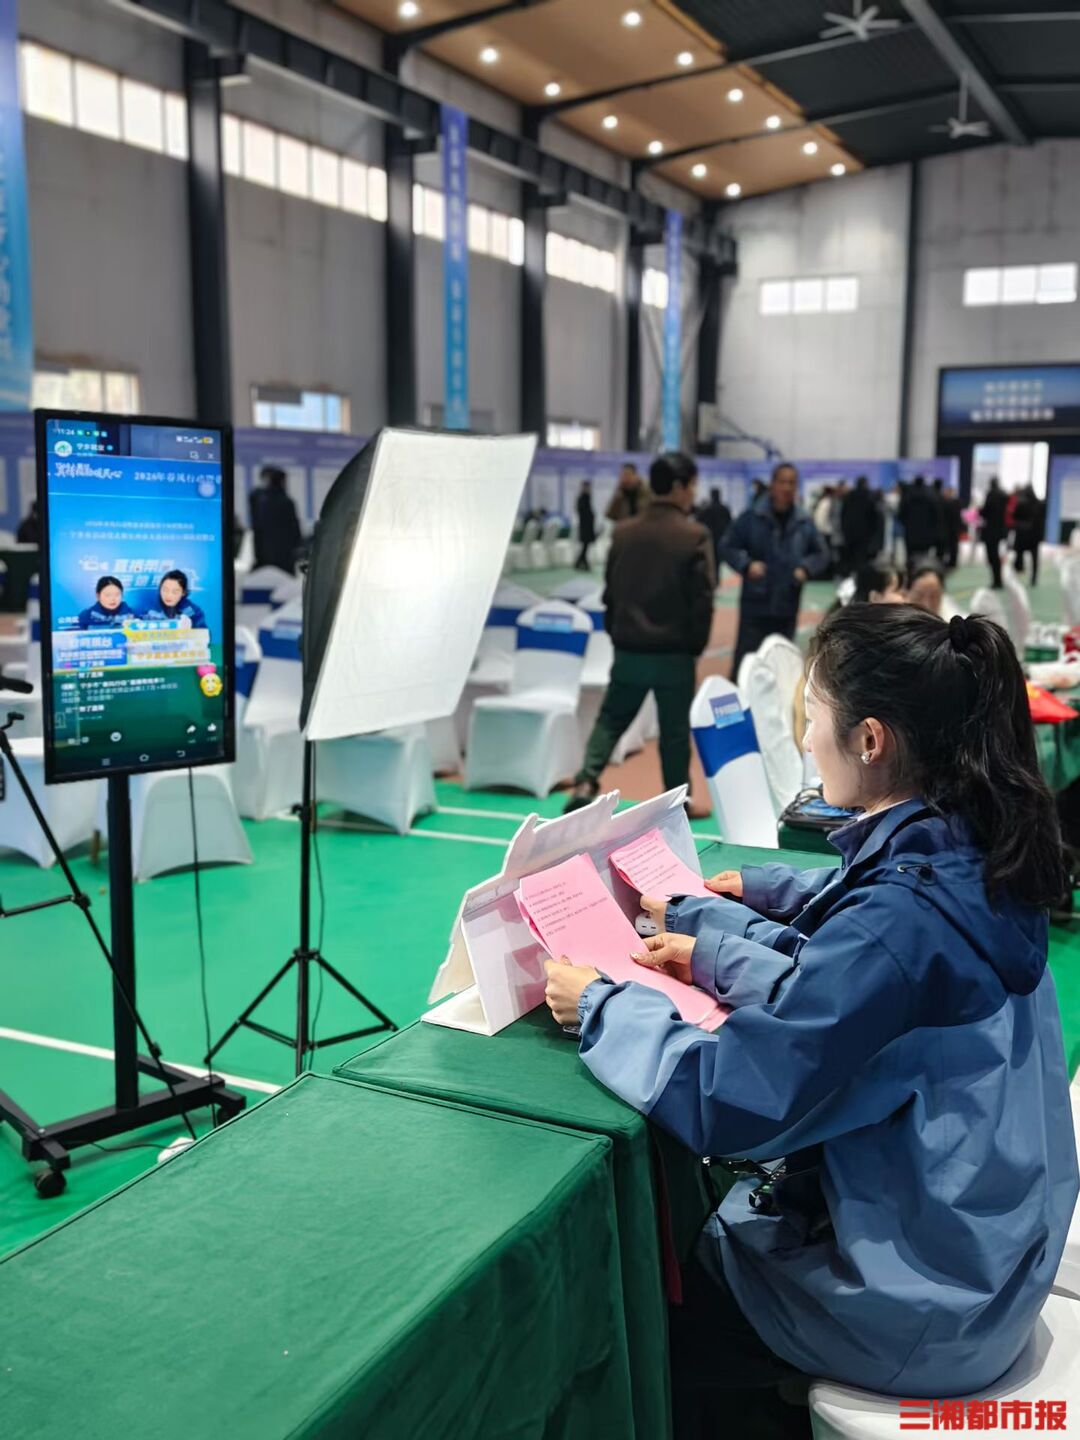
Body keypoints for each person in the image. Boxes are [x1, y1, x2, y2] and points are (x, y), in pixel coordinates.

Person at [544, 604, 1077, 1433]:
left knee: (658, 1318)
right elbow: (854, 991)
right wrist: (714, 945)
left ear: (869, 740)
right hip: (997, 1270)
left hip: (929, 1315)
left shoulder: (898, 929)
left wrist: (601, 1006)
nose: (804, 736)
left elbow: (730, 1098)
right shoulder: (986, 850)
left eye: (813, 716)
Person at [564, 452, 714, 813]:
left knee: (611, 718)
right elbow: (702, 599)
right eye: (692, 486)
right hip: (674, 653)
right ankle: (677, 801)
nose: (693, 493)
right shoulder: (694, 535)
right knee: (673, 732)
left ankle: (586, 779)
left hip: (629, 648)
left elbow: (611, 591)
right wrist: (694, 646)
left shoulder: (624, 532)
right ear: (678, 487)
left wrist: (618, 634)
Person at [722, 462, 828, 680]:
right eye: (782, 482)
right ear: (772, 485)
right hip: (755, 607)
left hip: (787, 606)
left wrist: (806, 568)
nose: (787, 487)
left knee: (782, 669)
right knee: (745, 666)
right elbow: (727, 546)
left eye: (792, 483)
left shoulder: (804, 522)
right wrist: (746, 564)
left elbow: (822, 554)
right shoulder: (751, 517)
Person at [251, 465, 303, 574]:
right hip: (285, 554)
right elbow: (294, 527)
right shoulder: (287, 502)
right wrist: (298, 545)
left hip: (266, 553)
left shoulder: (262, 501)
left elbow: (259, 528)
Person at [140, 570, 208, 633]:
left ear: (183, 593)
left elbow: (205, 635)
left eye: (175, 592)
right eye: (165, 590)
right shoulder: (150, 607)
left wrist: (191, 630)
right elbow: (139, 626)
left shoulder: (192, 611)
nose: (169, 595)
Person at [839, 475, 877, 575]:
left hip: (850, 533)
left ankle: (850, 579)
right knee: (862, 560)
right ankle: (861, 579)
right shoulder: (869, 497)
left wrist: (844, 530)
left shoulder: (848, 497)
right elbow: (873, 517)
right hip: (864, 534)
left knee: (850, 559)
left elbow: (843, 515)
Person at [898, 474, 939, 562]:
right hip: (926, 532)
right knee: (924, 556)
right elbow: (935, 515)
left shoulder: (907, 497)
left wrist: (906, 524)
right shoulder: (930, 497)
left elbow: (901, 514)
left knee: (910, 556)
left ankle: (910, 568)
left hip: (910, 531)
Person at [1012, 484, 1045, 586]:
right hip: (1034, 536)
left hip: (1023, 535)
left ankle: (1019, 572)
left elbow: (1015, 516)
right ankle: (1033, 578)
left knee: (1019, 555)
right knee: (1034, 558)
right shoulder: (1039, 504)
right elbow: (1042, 520)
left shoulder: (1022, 504)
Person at [697, 487, 732, 583]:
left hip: (710, 539)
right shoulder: (724, 509)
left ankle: (713, 580)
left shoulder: (707, 509)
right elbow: (730, 524)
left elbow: (699, 520)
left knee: (711, 561)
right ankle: (716, 579)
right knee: (718, 562)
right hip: (722, 538)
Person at [981, 477, 1007, 589]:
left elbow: (985, 512)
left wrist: (979, 511)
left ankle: (997, 581)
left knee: (992, 556)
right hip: (1001, 530)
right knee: (996, 556)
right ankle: (998, 580)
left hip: (991, 530)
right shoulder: (1004, 495)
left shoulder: (991, 495)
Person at [936, 481, 962, 570]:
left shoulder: (955, 502)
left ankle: (952, 562)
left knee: (953, 546)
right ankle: (943, 562)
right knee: (944, 546)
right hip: (946, 528)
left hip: (953, 528)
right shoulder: (943, 502)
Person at [575, 481, 596, 571]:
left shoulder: (587, 498)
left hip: (589, 526)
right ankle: (581, 563)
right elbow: (583, 512)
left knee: (586, 546)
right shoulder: (582, 499)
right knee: (585, 545)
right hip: (585, 526)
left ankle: (580, 562)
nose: (588, 489)